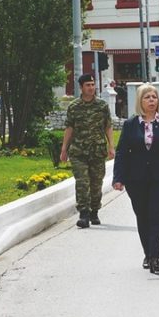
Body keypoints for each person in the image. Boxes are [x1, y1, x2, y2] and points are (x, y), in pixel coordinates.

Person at [112, 84, 159, 274]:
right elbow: (121, 154)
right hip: (136, 179)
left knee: (156, 214)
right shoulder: (130, 125)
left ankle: (155, 257)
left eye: (154, 97)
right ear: (140, 101)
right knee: (142, 216)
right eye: (147, 97)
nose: (152, 100)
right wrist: (118, 178)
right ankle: (147, 252)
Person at [60, 74, 114, 228]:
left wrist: (111, 146)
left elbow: (108, 126)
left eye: (92, 84)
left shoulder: (102, 106)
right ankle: (83, 213)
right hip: (78, 152)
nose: (91, 88)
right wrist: (64, 149)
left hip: (97, 151)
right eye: (88, 85)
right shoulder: (74, 107)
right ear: (81, 87)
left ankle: (94, 211)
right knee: (82, 183)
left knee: (96, 183)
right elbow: (69, 128)